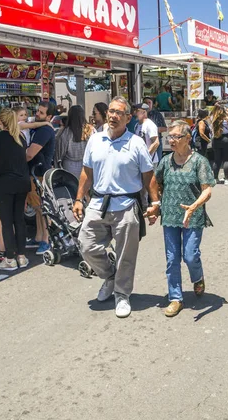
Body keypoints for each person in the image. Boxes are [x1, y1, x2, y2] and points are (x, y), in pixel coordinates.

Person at [73, 96, 160, 319]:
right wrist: (78, 199)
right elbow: (86, 172)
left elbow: (148, 175)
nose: (112, 116)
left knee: (126, 254)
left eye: (118, 112)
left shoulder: (136, 143)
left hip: (127, 204)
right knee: (86, 244)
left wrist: (155, 203)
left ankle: (122, 294)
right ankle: (110, 277)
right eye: (111, 111)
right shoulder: (95, 140)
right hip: (98, 203)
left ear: (128, 118)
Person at [155, 120, 215, 318]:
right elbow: (155, 182)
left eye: (176, 137)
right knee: (172, 259)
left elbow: (207, 190)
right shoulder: (165, 161)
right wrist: (156, 205)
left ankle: (197, 277)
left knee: (190, 255)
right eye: (169, 136)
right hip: (170, 215)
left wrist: (194, 206)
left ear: (188, 139)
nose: (171, 140)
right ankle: (175, 298)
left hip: (193, 215)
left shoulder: (199, 161)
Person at [0, 108, 31, 270]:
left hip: (4, 184)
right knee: (19, 220)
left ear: (0, 122)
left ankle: (10, 258)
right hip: (22, 183)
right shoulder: (20, 137)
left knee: (6, 222)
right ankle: (22, 257)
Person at [26, 101, 56, 254]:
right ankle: (39, 237)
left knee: (42, 209)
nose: (37, 114)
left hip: (39, 173)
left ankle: (46, 239)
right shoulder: (40, 127)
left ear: (49, 116)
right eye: (37, 111)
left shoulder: (45, 130)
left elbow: (30, 153)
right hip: (35, 172)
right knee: (38, 208)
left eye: (41, 113)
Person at [55, 105, 95, 178]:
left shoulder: (66, 132)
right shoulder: (90, 129)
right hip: (87, 165)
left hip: (69, 167)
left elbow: (59, 154)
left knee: (71, 188)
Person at [210, 103, 228, 185]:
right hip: (226, 139)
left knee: (217, 160)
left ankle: (215, 178)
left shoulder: (212, 118)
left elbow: (211, 130)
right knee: (226, 160)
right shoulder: (227, 118)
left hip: (216, 139)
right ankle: (227, 179)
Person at [135, 103, 159, 168]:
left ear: (144, 112)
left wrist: (146, 156)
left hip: (150, 161)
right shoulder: (137, 125)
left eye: (137, 111)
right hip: (139, 161)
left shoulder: (150, 125)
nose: (135, 113)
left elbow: (156, 143)